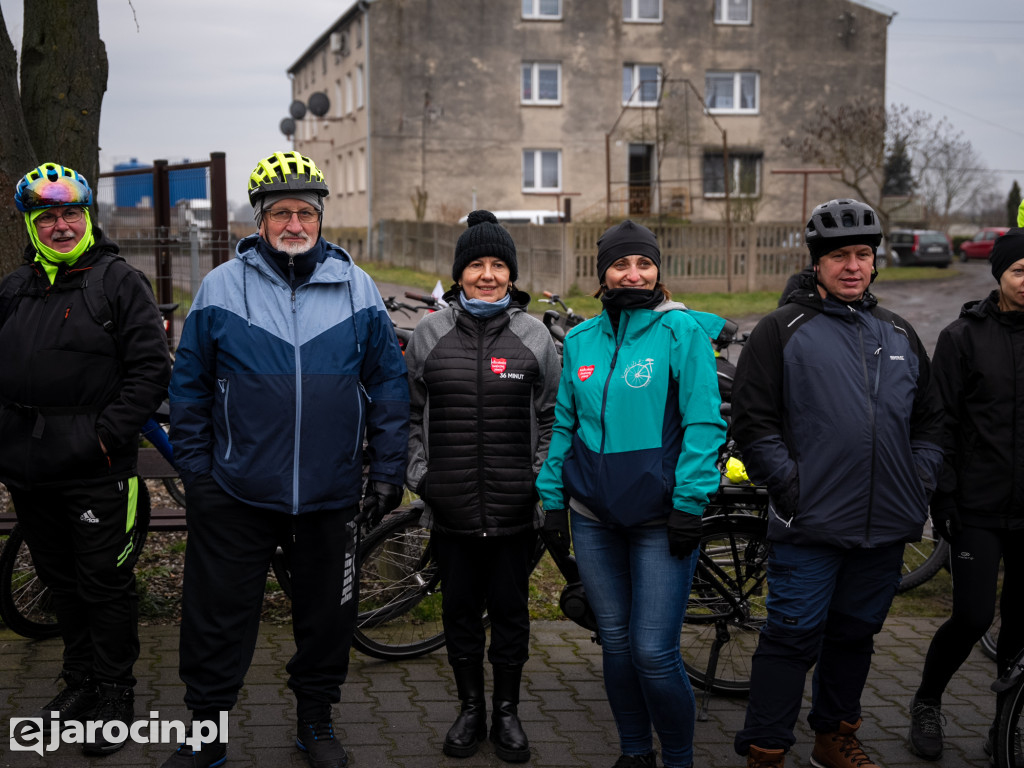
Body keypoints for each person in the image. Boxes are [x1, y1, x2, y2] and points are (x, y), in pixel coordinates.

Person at [164, 151, 409, 768]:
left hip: (329, 492)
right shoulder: (222, 286)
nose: (294, 224)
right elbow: (188, 386)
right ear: (261, 220)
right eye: (281, 213)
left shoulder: (358, 287)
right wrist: (198, 471)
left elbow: (388, 384)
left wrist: (385, 471)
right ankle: (206, 732)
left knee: (326, 620)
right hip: (238, 489)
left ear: (322, 218)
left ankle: (316, 721)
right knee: (218, 619)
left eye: (306, 212)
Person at [730, 198, 944, 768]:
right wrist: (791, 488)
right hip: (810, 524)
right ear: (817, 262)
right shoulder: (781, 330)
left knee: (854, 637)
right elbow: (754, 422)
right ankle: (767, 748)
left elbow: (930, 422)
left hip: (884, 527)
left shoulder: (898, 333)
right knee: (791, 638)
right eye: (840, 256)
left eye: (863, 255)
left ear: (875, 262)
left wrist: (918, 480)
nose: (853, 266)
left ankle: (835, 738)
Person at [536, 220, 727, 768]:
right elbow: (564, 428)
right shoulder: (579, 340)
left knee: (652, 650)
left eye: (644, 263)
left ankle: (680, 758)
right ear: (602, 274)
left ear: (658, 270)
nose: (633, 273)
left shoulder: (680, 333)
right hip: (593, 515)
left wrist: (690, 503)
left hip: (660, 518)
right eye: (621, 264)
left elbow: (703, 424)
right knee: (616, 644)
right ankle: (635, 752)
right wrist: (552, 498)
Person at [0, 163, 171, 755]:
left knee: (104, 585)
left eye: (72, 213)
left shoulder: (118, 282)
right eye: (48, 216)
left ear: (88, 217)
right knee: (61, 584)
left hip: (98, 472)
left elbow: (151, 371)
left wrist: (105, 435)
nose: (62, 225)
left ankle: (115, 694)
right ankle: (79, 684)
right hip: (30, 471)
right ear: (31, 223)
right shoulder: (15, 288)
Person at [404, 210, 561, 762]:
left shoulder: (533, 335)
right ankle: (471, 709)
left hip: (515, 507)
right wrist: (422, 478)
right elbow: (410, 412)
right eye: (477, 265)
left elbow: (550, 416)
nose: (488, 275)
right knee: (460, 612)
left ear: (512, 275)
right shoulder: (430, 333)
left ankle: (507, 713)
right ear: (460, 273)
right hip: (451, 508)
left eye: (498, 265)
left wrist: (537, 478)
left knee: (512, 614)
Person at [906, 227, 1024, 761]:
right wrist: (943, 500)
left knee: (1021, 627)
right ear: (998, 274)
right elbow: (941, 422)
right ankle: (927, 700)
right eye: (1020, 271)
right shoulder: (962, 336)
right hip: (977, 505)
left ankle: (1005, 723)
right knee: (974, 616)